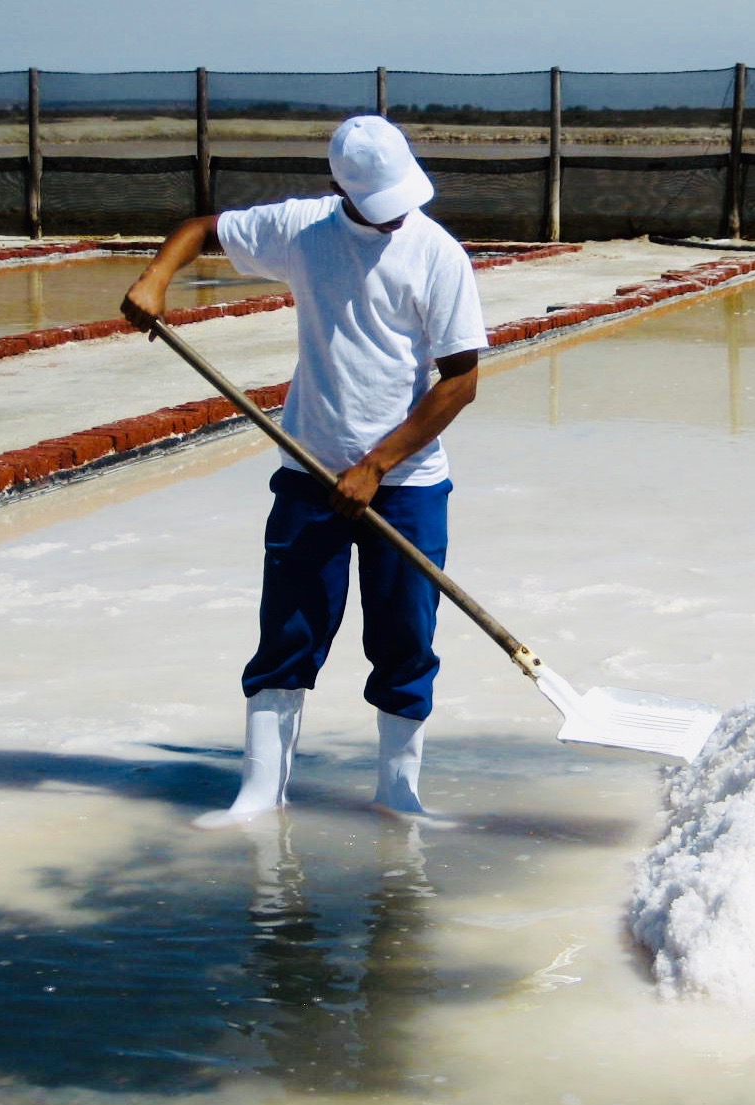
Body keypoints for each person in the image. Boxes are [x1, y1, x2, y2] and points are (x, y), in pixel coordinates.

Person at [121, 116, 487, 827]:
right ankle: (261, 792)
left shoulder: (438, 255)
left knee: (405, 639)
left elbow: (461, 381)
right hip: (310, 469)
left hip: (406, 484)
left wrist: (378, 464)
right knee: (288, 630)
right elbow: (200, 228)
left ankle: (398, 791)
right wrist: (155, 277)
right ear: (338, 189)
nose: (394, 218)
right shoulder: (303, 229)